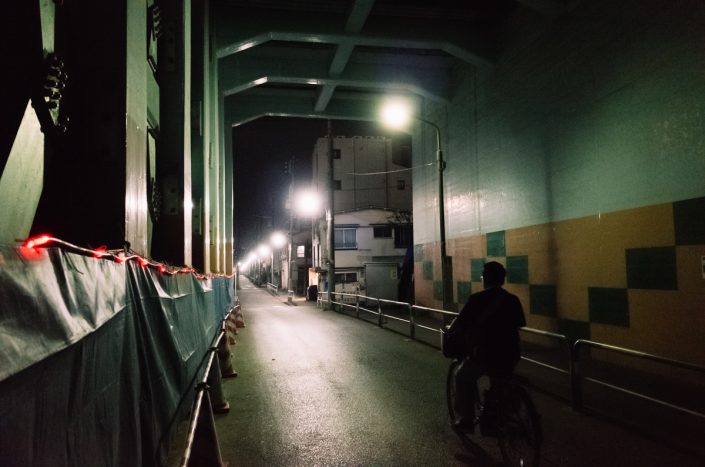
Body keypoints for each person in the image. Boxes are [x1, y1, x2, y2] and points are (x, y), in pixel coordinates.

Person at [448, 261, 526, 431]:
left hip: (486, 354)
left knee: (462, 376)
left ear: (485, 279)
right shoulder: (512, 300)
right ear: (502, 279)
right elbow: (520, 323)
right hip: (511, 353)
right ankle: (500, 417)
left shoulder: (477, 299)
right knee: (501, 380)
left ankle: (466, 420)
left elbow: (460, 323)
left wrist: (449, 331)